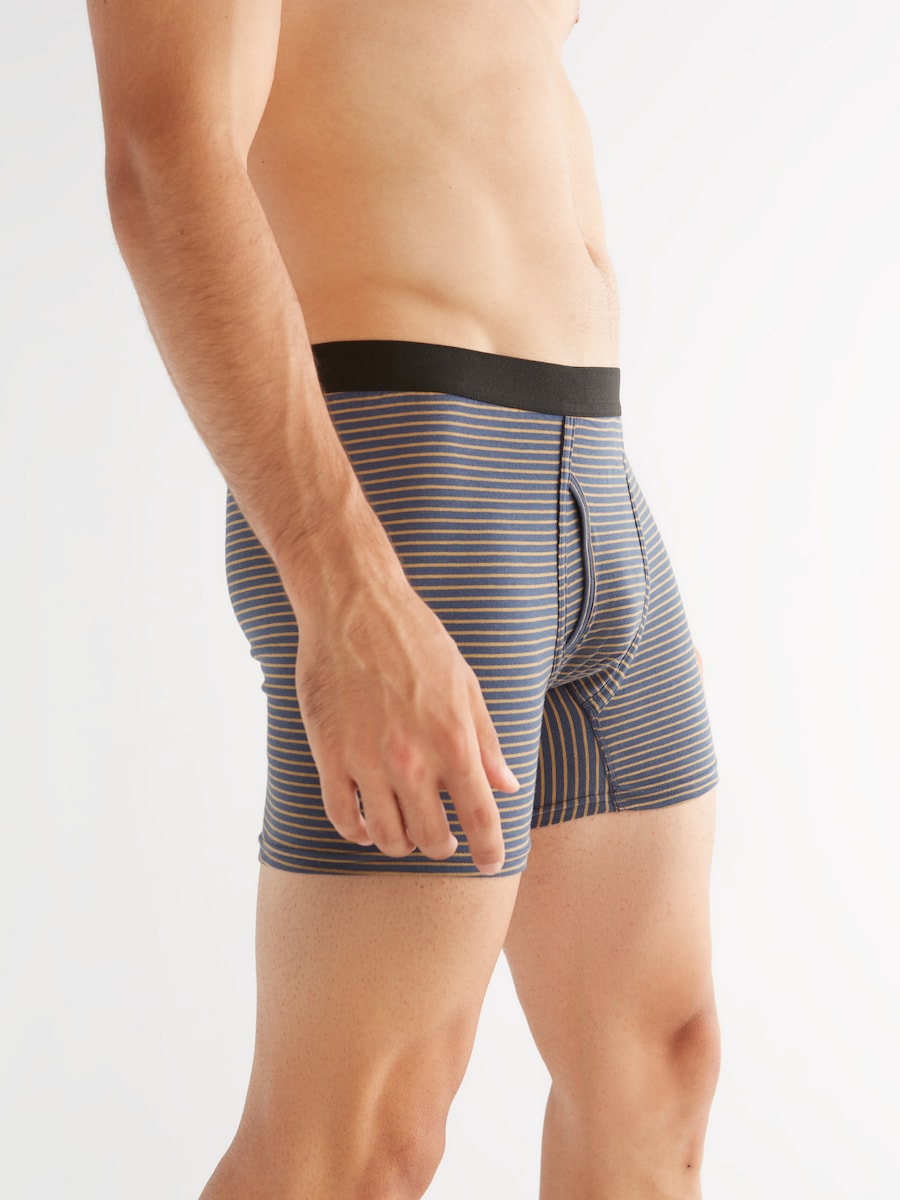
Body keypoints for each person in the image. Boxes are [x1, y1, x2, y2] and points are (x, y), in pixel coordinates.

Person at [87, 2, 721, 1196]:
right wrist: (344, 588)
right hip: (406, 475)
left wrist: (593, 528)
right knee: (359, 1146)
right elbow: (165, 157)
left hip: (594, 472)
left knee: (657, 1065)